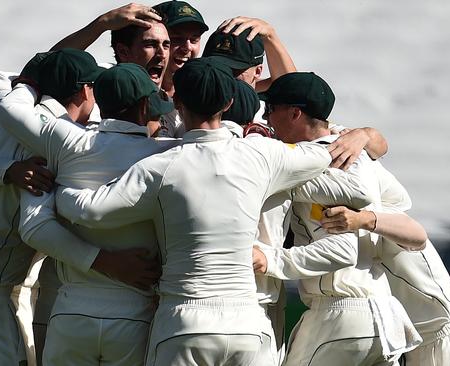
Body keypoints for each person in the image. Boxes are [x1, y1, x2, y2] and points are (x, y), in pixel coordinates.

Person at [51, 57, 374, 366]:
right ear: (229, 104)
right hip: (249, 327)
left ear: (178, 106)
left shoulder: (160, 165)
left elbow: (91, 211)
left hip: (184, 324)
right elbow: (321, 153)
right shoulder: (262, 153)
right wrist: (363, 135)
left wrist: (58, 185)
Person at [0, 49, 138, 365]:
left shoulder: (7, 123)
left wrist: (7, 170)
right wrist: (106, 262)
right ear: (84, 90)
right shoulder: (56, 139)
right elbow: (36, 228)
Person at [0, 61, 179, 365]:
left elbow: (7, 109)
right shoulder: (168, 154)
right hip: (134, 315)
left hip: (70, 314)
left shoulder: (65, 140)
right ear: (146, 106)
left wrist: (31, 79)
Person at [255, 71, 423, 365]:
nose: (267, 119)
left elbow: (341, 250)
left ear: (295, 113)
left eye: (270, 109)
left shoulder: (318, 162)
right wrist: (367, 135)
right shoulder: (359, 153)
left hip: (340, 314)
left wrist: (269, 259)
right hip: (383, 316)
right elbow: (400, 201)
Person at [319, 205, 450, 364]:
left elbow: (418, 236)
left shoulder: (378, 209)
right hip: (409, 344)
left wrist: (363, 219)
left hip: (444, 340)